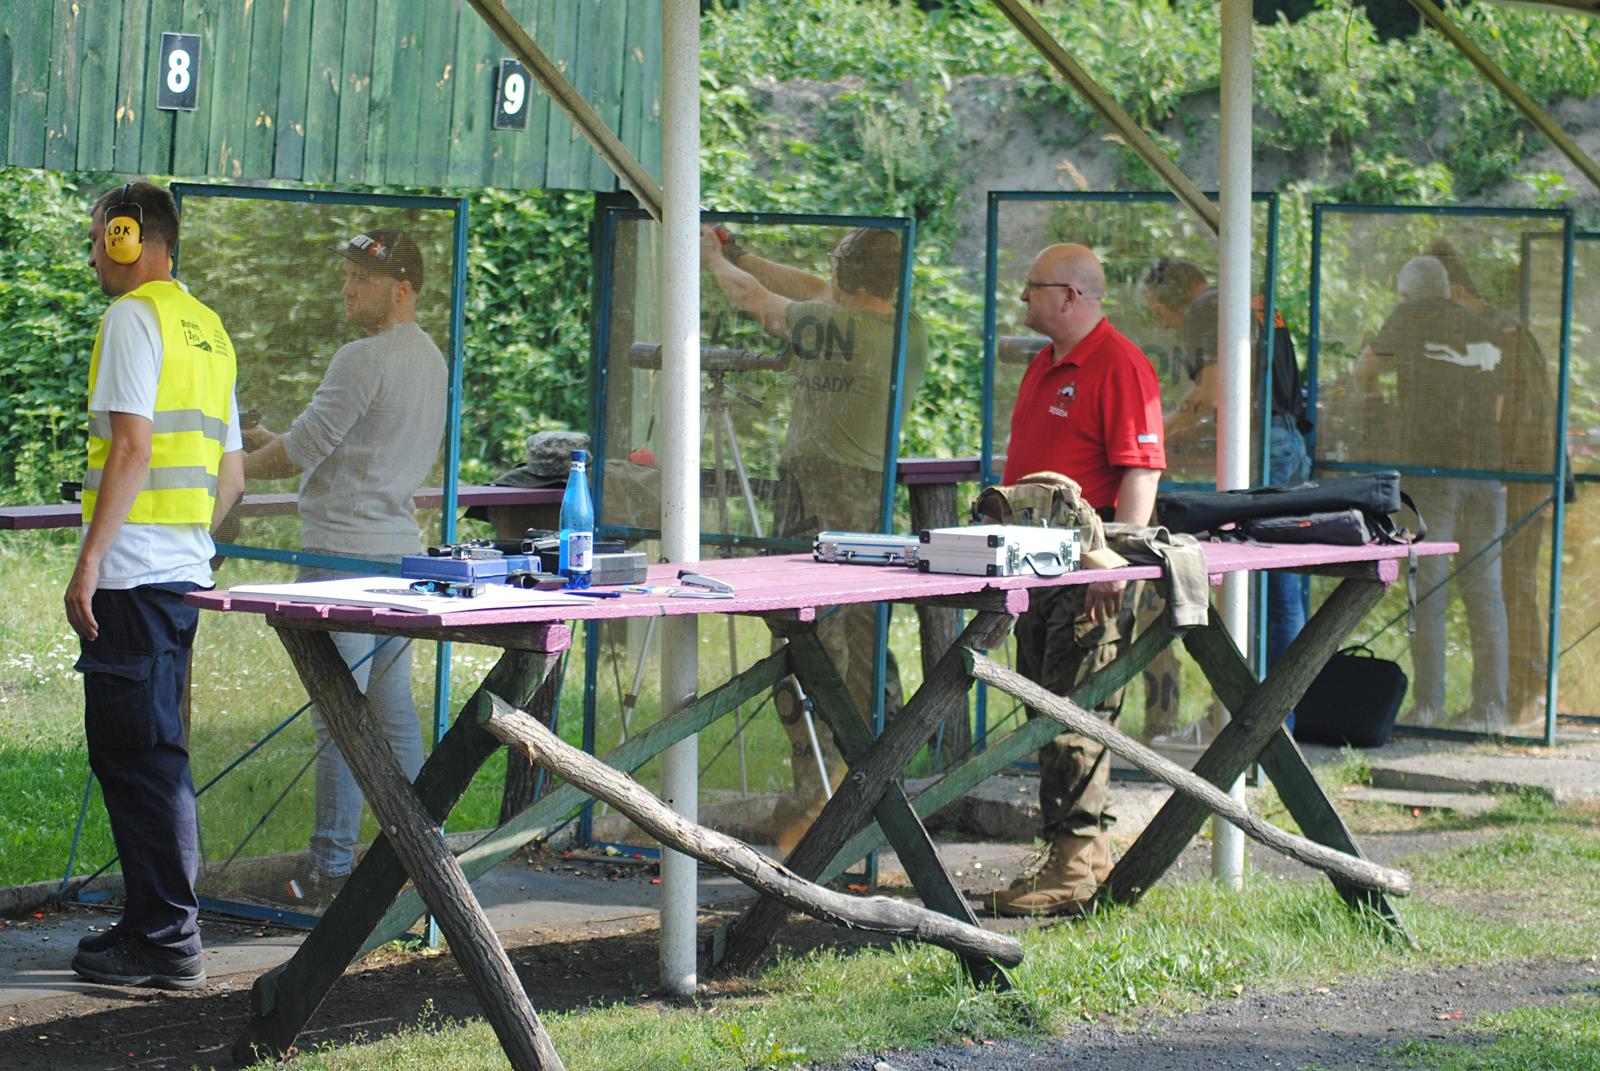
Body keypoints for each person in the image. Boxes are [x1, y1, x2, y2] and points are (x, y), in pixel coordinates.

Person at [66, 181, 245, 988]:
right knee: (143, 747)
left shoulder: (133, 319)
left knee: (142, 756)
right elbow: (231, 474)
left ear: (134, 237)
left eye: (102, 235)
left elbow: (132, 451)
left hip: (134, 578)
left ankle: (169, 939)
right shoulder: (208, 330)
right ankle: (149, 922)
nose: (96, 249)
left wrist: (91, 559)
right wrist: (188, 542)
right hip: (178, 576)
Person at [242, 229, 446, 904]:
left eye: (361, 277)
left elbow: (302, 452)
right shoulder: (431, 360)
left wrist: (228, 467)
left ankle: (330, 869)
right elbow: (350, 447)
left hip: (340, 558)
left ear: (402, 288)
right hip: (393, 552)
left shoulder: (361, 358)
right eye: (348, 274)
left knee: (338, 720)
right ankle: (425, 863)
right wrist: (277, 444)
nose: (347, 288)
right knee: (393, 716)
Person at [700, 224, 927, 831]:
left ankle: (834, 793)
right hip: (843, 483)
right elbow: (812, 289)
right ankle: (846, 788)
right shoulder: (898, 325)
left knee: (819, 641)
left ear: (847, 274)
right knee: (840, 638)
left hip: (836, 487)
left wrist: (709, 258)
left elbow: (756, 301)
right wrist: (739, 254)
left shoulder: (845, 325)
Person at [991, 243, 1165, 917]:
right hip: (1042, 568)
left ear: (1069, 295)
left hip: (1085, 570)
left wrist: (1112, 561)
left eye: (1032, 289)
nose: (1024, 300)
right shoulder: (1047, 362)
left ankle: (1073, 860)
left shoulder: (1119, 363)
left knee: (1075, 712)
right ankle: (1080, 855)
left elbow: (1139, 472)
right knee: (1049, 707)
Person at [1139, 258, 1314, 713]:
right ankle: (1279, 713)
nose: (1164, 322)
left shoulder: (1204, 311)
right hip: (1290, 439)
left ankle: (1266, 718)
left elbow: (1208, 399)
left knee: (1264, 586)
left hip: (1263, 447)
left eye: (1159, 311)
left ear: (1173, 298)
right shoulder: (1249, 301)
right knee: (1283, 580)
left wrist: (1150, 434)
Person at [1355, 254, 1507, 727]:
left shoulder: (1410, 315)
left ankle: (1428, 707)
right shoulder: (1482, 325)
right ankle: (1489, 710)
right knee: (1486, 590)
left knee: (1430, 588)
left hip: (1432, 469)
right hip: (1488, 470)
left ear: (1407, 294)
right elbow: (1502, 401)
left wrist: (1381, 411)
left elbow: (1364, 371)